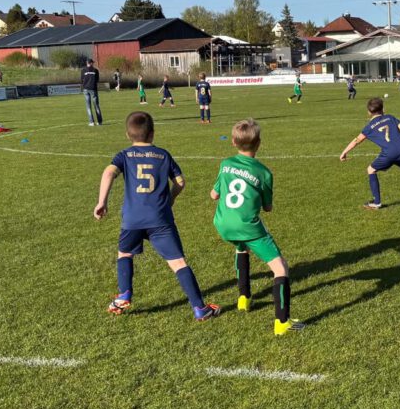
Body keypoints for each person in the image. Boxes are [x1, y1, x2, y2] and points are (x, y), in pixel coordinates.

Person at [93, 111, 220, 321]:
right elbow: (180, 182)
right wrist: (171, 199)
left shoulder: (124, 155)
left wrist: (102, 202)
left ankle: (124, 294)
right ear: (152, 133)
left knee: (125, 254)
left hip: (132, 219)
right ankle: (199, 308)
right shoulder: (163, 155)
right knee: (178, 263)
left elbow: (108, 172)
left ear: (128, 134)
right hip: (160, 219)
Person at [211, 118, 303, 335]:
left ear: (233, 142)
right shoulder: (264, 172)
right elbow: (267, 207)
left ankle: (244, 298)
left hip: (223, 224)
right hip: (247, 226)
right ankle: (282, 322)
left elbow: (214, 195)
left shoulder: (225, 164)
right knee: (280, 268)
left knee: (241, 247)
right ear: (259, 143)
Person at [81, 58, 103, 126]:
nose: (93, 63)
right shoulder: (95, 70)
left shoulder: (83, 70)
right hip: (93, 89)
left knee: (88, 106)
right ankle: (99, 122)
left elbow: (82, 79)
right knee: (96, 105)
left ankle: (91, 122)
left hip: (85, 89)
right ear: (90, 63)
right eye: (92, 62)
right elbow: (97, 80)